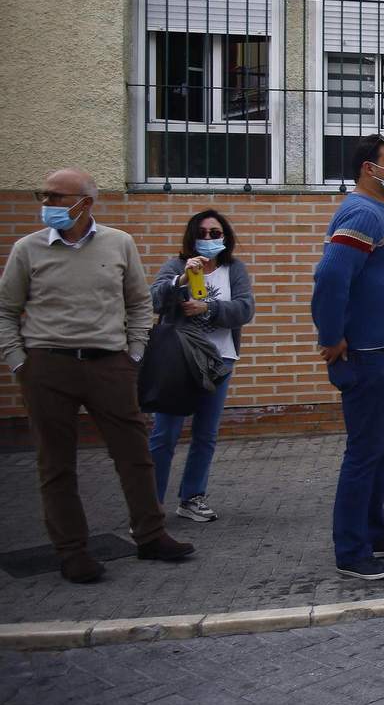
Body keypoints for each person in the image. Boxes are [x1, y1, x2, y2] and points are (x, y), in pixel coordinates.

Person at [0, 169, 196, 583]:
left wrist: (135, 352)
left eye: (56, 196)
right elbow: (6, 310)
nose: (47, 203)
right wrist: (19, 360)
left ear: (86, 202)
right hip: (47, 366)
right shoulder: (27, 249)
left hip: (110, 363)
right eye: (44, 195)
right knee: (56, 463)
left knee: (134, 454)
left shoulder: (118, 243)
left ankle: (150, 535)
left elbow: (140, 303)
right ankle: (71, 551)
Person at [311, 135, 384, 580]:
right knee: (364, 450)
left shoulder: (376, 211)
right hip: (364, 351)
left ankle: (375, 533)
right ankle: (352, 551)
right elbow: (331, 277)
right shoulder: (361, 211)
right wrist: (332, 337)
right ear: (368, 168)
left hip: (382, 349)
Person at [147, 209, 256, 522]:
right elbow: (154, 301)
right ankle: (149, 506)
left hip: (219, 359)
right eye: (202, 233)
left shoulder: (233, 268)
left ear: (225, 237)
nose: (208, 238)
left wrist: (208, 307)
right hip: (177, 359)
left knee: (205, 433)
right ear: (192, 237)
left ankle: (191, 497)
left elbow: (245, 310)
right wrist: (180, 280)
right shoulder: (176, 265)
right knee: (164, 433)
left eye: (215, 233)